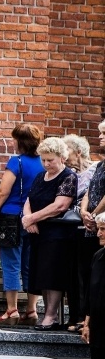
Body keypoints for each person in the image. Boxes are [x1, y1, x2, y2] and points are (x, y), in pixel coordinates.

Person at [21, 137, 78, 330]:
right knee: (41, 274)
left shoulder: (68, 176)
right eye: (43, 159)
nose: (46, 163)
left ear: (62, 157)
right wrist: (28, 218)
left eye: (50, 160)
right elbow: (29, 199)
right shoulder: (40, 176)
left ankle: (51, 316)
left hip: (57, 234)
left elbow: (59, 205)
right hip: (38, 233)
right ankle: (47, 313)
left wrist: (32, 218)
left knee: (52, 274)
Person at [0, 124, 43, 324]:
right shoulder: (42, 162)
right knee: (31, 265)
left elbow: (3, 191)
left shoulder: (16, 162)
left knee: (11, 263)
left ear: (20, 142)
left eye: (14, 139)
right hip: (34, 218)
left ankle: (12, 309)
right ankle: (31, 310)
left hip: (11, 217)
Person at [64, 133, 99, 330]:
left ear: (78, 152)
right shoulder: (68, 173)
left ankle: (84, 317)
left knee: (86, 272)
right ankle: (75, 315)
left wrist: (89, 214)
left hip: (91, 227)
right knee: (73, 273)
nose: (64, 153)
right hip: (72, 227)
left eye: (66, 149)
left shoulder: (95, 169)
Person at [80, 213, 105, 359]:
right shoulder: (98, 256)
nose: (98, 233)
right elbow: (91, 292)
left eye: (103, 230)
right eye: (98, 229)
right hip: (98, 327)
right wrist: (86, 323)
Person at [78, 121, 105, 333]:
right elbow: (89, 191)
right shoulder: (99, 165)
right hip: (91, 224)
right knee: (88, 271)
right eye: (100, 133)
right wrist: (83, 211)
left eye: (104, 133)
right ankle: (85, 316)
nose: (100, 137)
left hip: (101, 224)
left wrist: (96, 215)